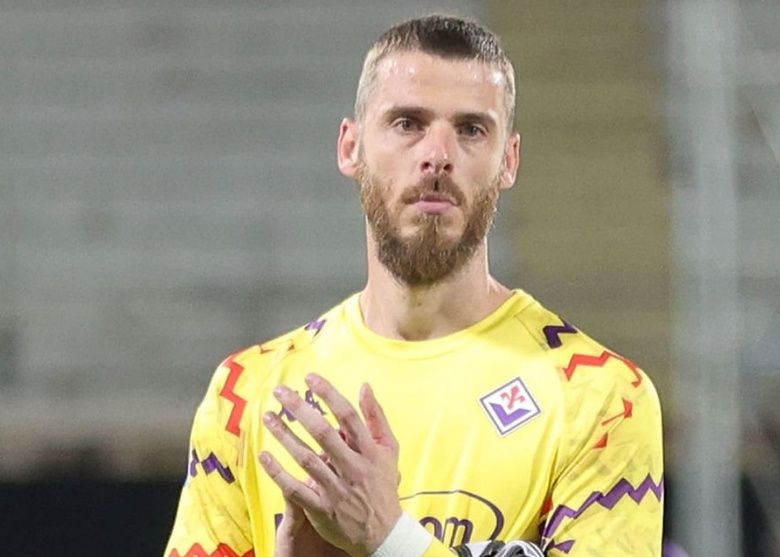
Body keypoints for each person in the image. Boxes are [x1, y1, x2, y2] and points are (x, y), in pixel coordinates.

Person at [164, 14, 663, 557]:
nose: (437, 155)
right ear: (350, 147)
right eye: (407, 123)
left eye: (471, 130)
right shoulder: (246, 395)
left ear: (509, 161)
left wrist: (390, 539)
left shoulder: (602, 399)